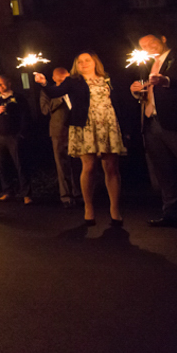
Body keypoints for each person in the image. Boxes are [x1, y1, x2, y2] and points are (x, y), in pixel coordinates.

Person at [35, 52, 126, 226]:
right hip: (85, 126)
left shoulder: (107, 79)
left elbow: (120, 102)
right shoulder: (73, 81)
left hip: (108, 125)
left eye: (87, 60)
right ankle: (89, 208)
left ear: (95, 62)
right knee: (89, 166)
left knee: (111, 167)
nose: (84, 63)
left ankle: (114, 209)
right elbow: (56, 91)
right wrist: (44, 83)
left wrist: (125, 127)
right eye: (80, 61)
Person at [129, 33, 177, 227]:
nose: (149, 47)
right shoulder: (145, 64)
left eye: (152, 42)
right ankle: (171, 213)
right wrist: (137, 91)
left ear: (163, 39)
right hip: (151, 123)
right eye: (144, 45)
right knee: (163, 170)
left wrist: (167, 81)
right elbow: (147, 90)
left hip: (176, 122)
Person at [40, 67, 81, 208]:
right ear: (55, 79)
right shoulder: (48, 92)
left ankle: (78, 193)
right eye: (63, 79)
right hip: (58, 132)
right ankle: (66, 196)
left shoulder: (74, 90)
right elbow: (44, 110)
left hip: (75, 129)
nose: (66, 82)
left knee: (77, 163)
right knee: (61, 164)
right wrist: (59, 97)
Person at [0, 75, 32, 205]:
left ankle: (27, 194)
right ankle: (7, 192)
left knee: (21, 164)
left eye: (2, 84)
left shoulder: (19, 98)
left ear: (9, 83)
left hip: (13, 136)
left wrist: (21, 134)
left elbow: (26, 116)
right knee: (2, 165)